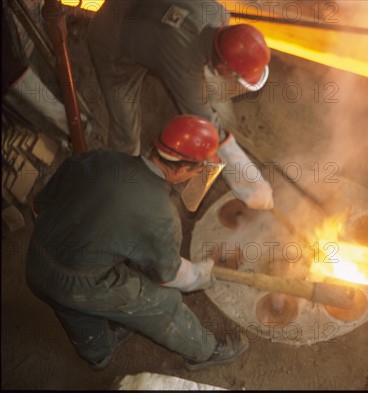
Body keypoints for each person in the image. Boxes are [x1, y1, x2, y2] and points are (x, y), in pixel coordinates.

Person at [25, 115, 248, 371]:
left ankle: (98, 353)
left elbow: (40, 204)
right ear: (185, 169)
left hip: (37, 256)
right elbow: (168, 275)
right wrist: (205, 273)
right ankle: (205, 352)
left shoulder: (100, 158)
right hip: (81, 282)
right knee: (162, 304)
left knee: (73, 309)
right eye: (200, 170)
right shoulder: (161, 215)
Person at [86, 0, 274, 210]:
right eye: (234, 76)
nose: (233, 80)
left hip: (143, 16)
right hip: (113, 38)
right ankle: (117, 193)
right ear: (222, 65)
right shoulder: (183, 59)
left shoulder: (218, 13)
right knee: (126, 132)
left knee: (204, 95)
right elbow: (208, 124)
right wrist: (248, 183)